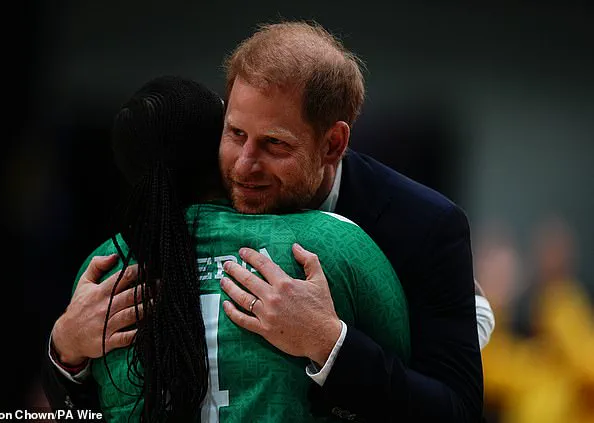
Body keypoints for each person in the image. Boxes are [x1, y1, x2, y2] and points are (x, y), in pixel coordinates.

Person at [45, 20, 491, 422]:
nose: (243, 166)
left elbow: (456, 411)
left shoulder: (425, 226)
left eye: (274, 145)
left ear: (333, 144)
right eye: (235, 134)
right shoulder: (189, 205)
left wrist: (328, 342)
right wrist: (66, 348)